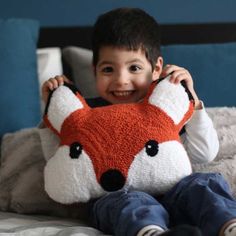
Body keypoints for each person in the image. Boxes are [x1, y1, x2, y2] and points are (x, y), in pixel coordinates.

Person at [41, 7, 236, 236]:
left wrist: (191, 102)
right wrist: (51, 113)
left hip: (174, 194)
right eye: (108, 69)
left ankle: (228, 225)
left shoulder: (163, 109)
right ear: (94, 71)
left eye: (134, 68)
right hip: (118, 198)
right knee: (128, 201)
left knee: (203, 184)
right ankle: (150, 232)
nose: (121, 80)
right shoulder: (87, 113)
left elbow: (204, 154)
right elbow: (60, 163)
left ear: (156, 69)